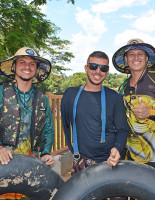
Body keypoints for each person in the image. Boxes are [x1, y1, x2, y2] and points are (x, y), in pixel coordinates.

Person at [61, 51, 129, 200]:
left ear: (107, 72)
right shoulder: (70, 95)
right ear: (86, 67)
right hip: (83, 163)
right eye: (93, 66)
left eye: (103, 68)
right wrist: (74, 149)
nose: (98, 71)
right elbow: (66, 125)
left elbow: (123, 129)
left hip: (111, 162)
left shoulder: (114, 97)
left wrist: (117, 148)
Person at [112, 38, 155, 177]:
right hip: (132, 159)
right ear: (126, 59)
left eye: (140, 54)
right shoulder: (123, 86)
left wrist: (150, 113)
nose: (136, 57)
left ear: (147, 58)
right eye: (131, 54)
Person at [0, 47, 54, 199]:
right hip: (3, 165)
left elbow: (48, 130)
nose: (27, 67)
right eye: (22, 62)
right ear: (14, 67)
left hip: (31, 168)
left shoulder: (42, 99)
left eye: (32, 64)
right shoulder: (1, 93)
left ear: (36, 70)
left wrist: (45, 154)